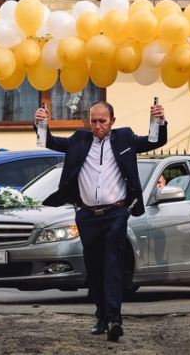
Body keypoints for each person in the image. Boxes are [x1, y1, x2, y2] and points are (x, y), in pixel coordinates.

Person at [35, 100, 167, 342]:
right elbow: (49, 142)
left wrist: (159, 121)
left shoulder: (125, 138)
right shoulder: (79, 140)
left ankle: (114, 319)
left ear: (112, 121)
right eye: (93, 121)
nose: (97, 126)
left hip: (116, 213)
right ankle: (102, 316)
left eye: (102, 121)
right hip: (87, 215)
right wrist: (41, 124)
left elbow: (155, 141)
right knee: (94, 268)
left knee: (112, 264)